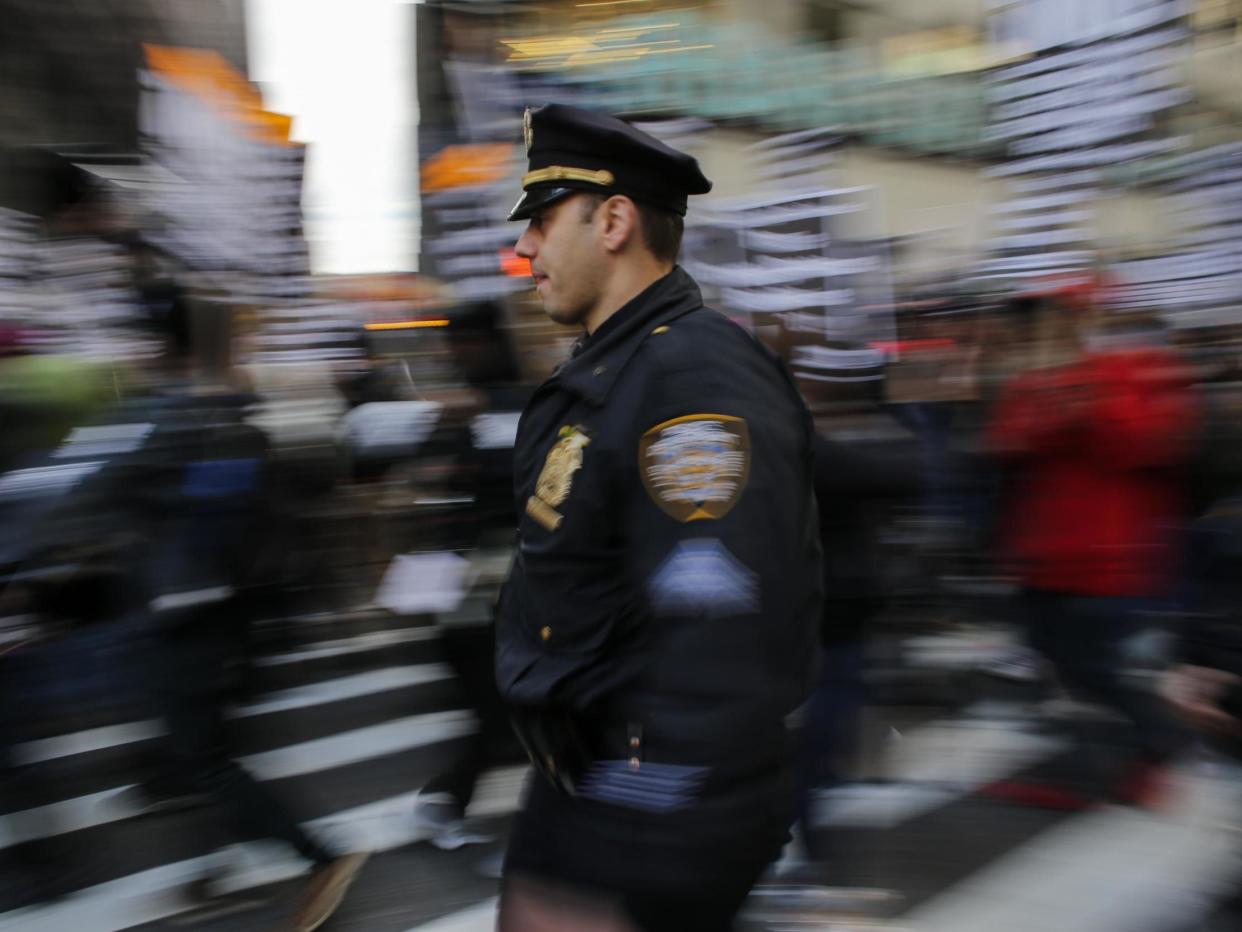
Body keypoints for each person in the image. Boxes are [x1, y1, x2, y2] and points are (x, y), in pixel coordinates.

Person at [494, 104, 823, 932]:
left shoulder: (692, 378)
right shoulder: (623, 365)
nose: (525, 248)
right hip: (597, 774)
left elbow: (717, 618)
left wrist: (640, 820)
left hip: (649, 794)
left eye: (541, 220)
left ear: (613, 221)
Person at [986, 288, 1196, 807]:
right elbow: (1007, 440)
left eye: (1056, 320)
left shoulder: (1136, 369)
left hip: (1106, 555)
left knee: (1092, 666)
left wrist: (1074, 392)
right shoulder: (1036, 377)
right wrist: (1051, 395)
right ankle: (1117, 756)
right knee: (1056, 659)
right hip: (1044, 553)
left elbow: (1143, 443)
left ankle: (1158, 744)